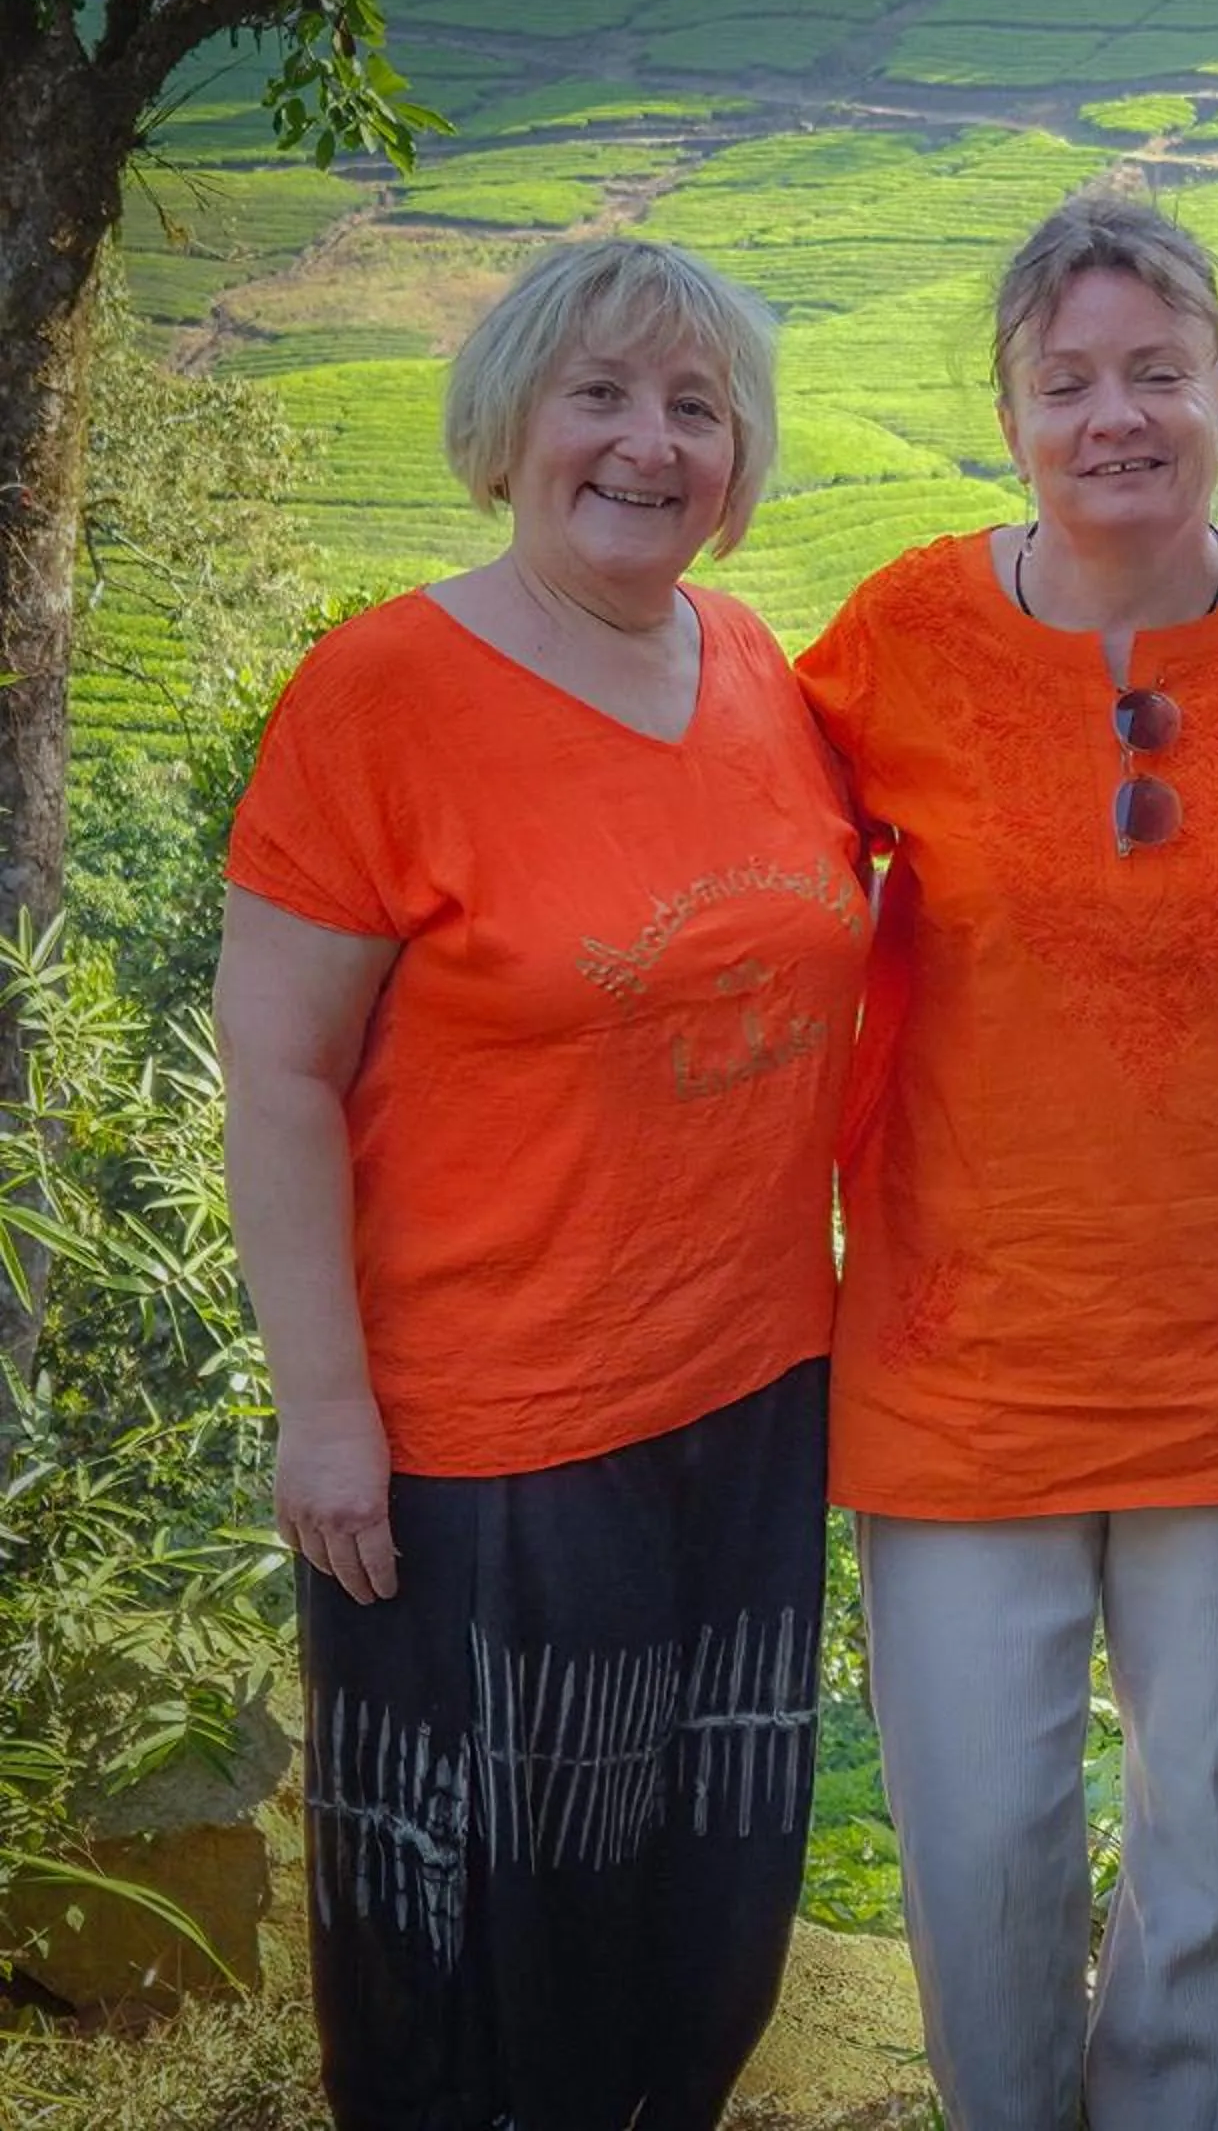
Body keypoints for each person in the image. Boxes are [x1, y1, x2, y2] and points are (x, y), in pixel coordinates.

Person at [218, 237, 866, 2130]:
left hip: (751, 1394)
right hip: (493, 1434)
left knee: (705, 1900)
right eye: (601, 396)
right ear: (508, 428)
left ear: (739, 459)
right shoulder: (383, 696)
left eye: (696, 407)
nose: (650, 443)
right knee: (496, 1944)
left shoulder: (751, 667)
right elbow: (279, 1073)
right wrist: (325, 1412)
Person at [792, 194, 1218, 2131]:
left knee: (1211, 1836)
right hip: (964, 1338)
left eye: (1156, 373)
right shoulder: (899, 636)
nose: (1113, 416)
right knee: (979, 1848)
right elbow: (743, 875)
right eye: (1067, 382)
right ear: (1011, 415)